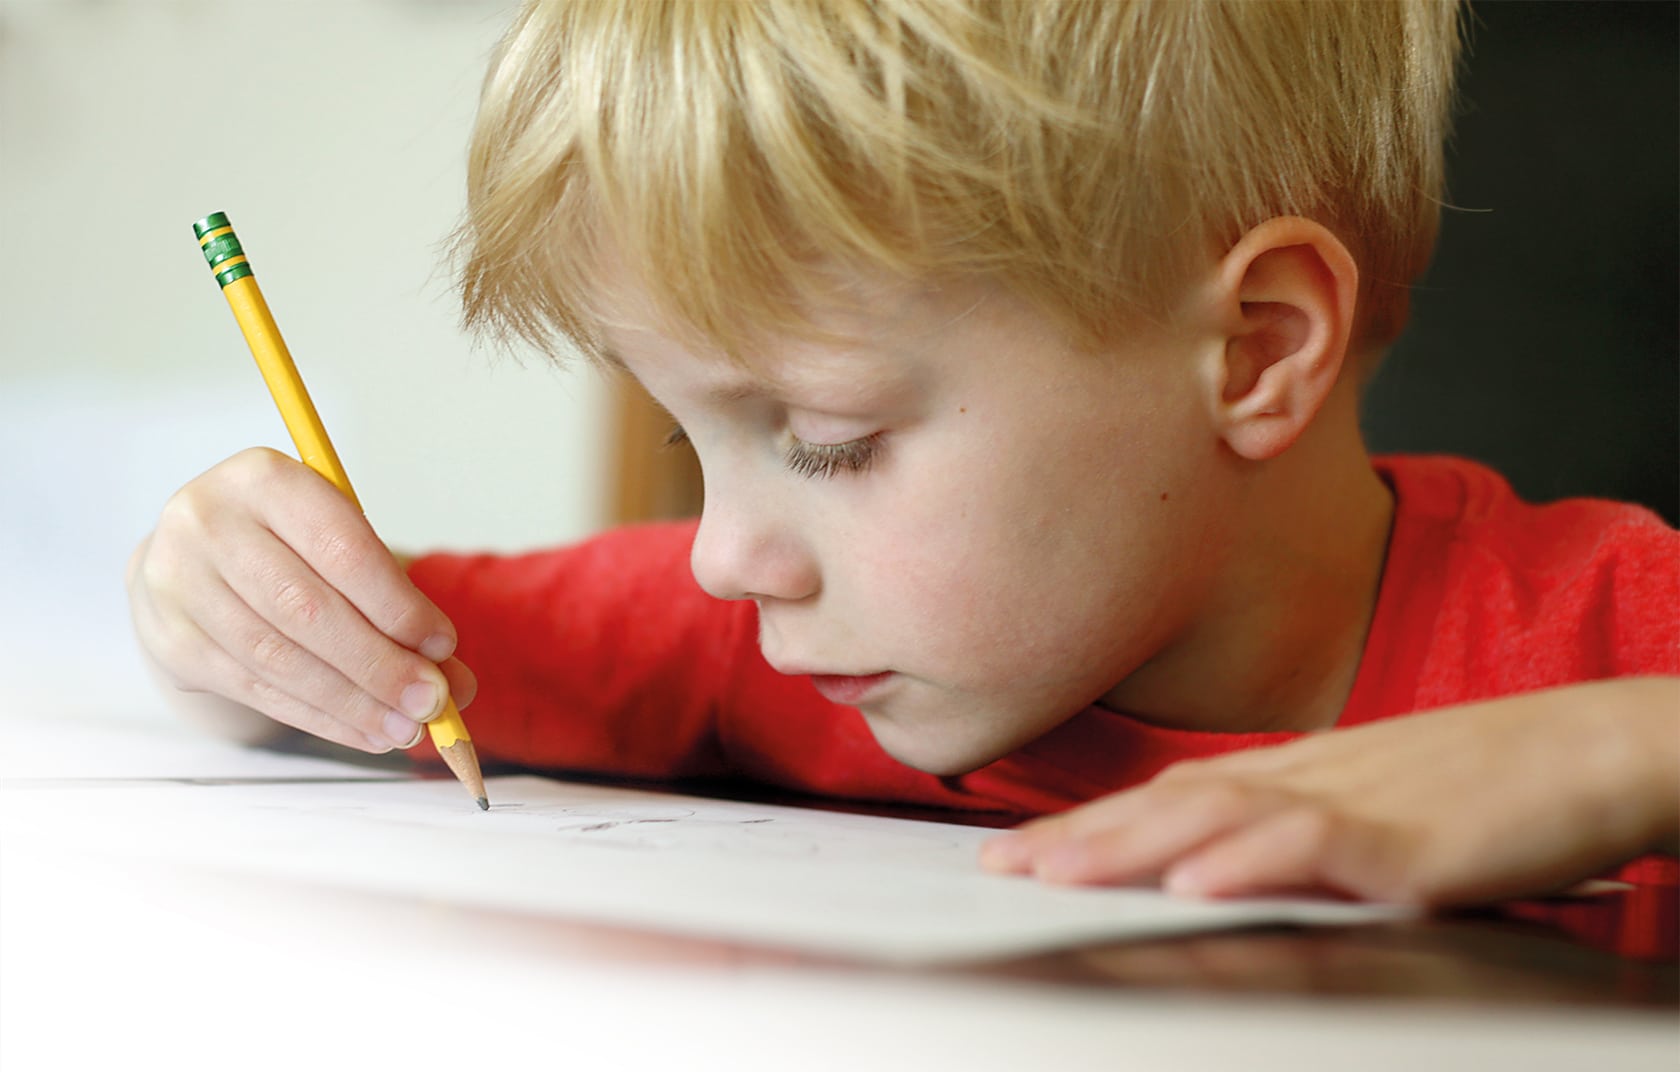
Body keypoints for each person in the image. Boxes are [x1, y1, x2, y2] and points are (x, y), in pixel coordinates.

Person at [128, 0, 1677, 908]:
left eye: (829, 442)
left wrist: (1617, 753)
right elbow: (378, 657)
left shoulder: (1614, 643)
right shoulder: (761, 641)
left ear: (1256, 351)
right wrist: (225, 616)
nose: (724, 557)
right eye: (690, 434)